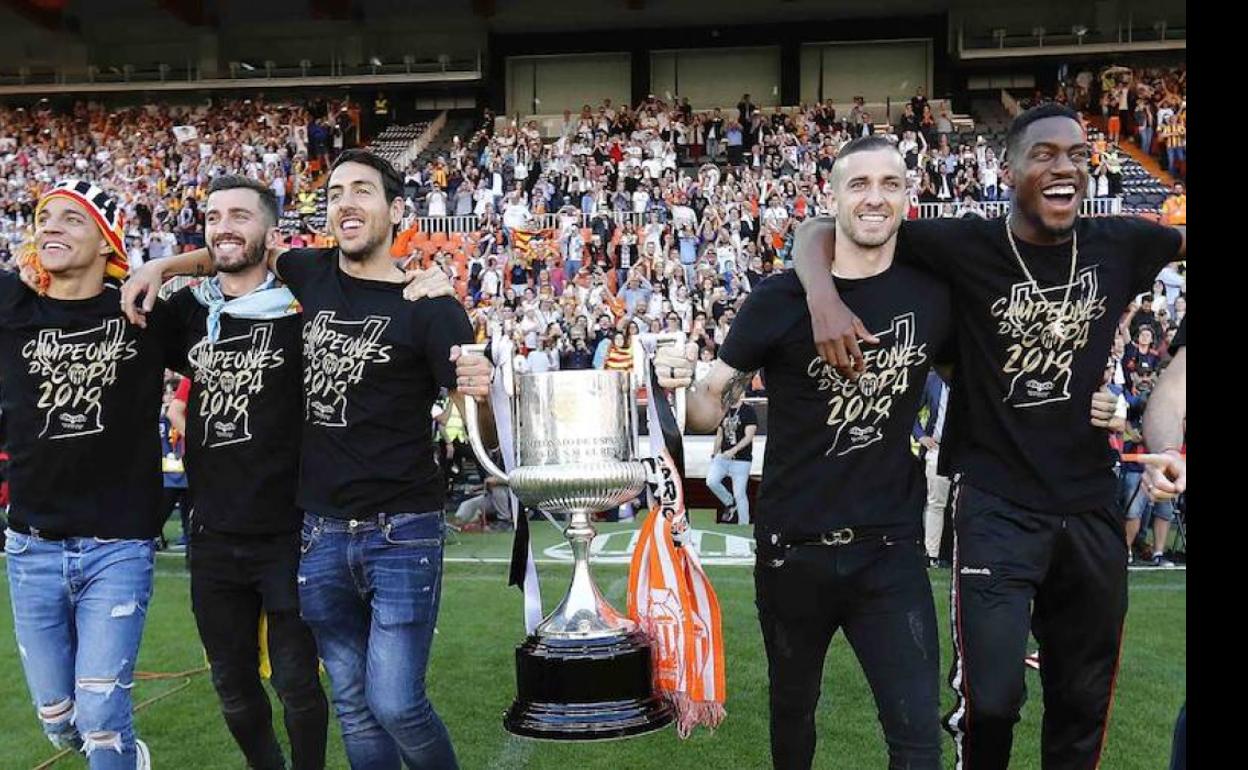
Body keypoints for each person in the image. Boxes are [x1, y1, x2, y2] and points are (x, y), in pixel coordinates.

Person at [794, 103, 1187, 770]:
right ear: (1006, 172)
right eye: (1045, 155)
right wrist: (823, 301)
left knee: (1081, 702)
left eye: (1077, 156)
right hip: (998, 504)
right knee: (995, 697)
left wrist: (1145, 401)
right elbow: (819, 230)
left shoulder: (1122, 241)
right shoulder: (963, 245)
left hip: (1090, 503)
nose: (1065, 168)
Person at [120, 150, 493, 770]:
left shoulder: (430, 302)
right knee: (349, 701)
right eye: (336, 193)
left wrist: (477, 380)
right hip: (319, 531)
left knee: (396, 703)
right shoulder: (309, 273)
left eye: (362, 192)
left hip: (400, 529)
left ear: (396, 210)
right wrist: (161, 266)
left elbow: (472, 413)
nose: (346, 203)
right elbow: (235, 249)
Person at [657, 136, 954, 770]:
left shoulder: (933, 295)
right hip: (793, 549)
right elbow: (713, 406)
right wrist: (686, 383)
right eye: (858, 184)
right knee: (793, 716)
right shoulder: (779, 298)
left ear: (908, 195)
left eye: (889, 184)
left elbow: (983, 381)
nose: (874, 197)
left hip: (890, 550)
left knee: (916, 736)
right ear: (834, 196)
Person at [2, 179, 187, 769]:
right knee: (59, 720)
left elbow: (253, 260)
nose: (51, 226)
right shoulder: (13, 306)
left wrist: (165, 266)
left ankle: (116, 754)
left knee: (103, 719)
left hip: (117, 547)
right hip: (31, 547)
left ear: (108, 241)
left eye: (71, 219)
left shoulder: (145, 312)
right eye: (44, 218)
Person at [164, 175, 330, 769]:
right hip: (211, 534)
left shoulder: (303, 310)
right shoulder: (189, 312)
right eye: (213, 216)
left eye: (240, 215)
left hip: (289, 531)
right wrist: (157, 272)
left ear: (271, 232)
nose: (224, 225)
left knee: (295, 682)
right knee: (232, 686)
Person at [912, 370, 951, 566]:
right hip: (937, 448)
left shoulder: (974, 374)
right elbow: (911, 411)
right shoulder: (932, 381)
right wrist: (920, 436)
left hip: (967, 450)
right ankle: (932, 555)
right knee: (936, 502)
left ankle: (963, 554)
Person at [706, 391, 756, 525]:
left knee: (739, 493)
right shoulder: (724, 411)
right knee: (711, 481)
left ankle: (744, 524)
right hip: (723, 458)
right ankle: (729, 502)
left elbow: (749, 436)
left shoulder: (748, 411)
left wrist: (733, 450)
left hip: (741, 459)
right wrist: (714, 453)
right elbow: (720, 435)